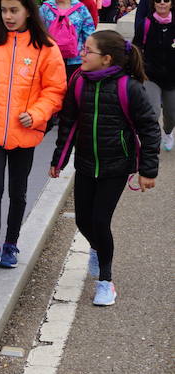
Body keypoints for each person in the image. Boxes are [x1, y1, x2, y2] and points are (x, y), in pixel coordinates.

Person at [50, 31, 159, 306]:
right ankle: (98, 248)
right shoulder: (78, 81)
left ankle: (106, 283)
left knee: (100, 220)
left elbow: (148, 128)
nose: (82, 54)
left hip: (116, 166)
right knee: (82, 221)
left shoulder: (129, 87)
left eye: (88, 51)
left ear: (106, 59)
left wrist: (148, 170)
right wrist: (58, 160)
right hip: (86, 163)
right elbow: (69, 123)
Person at [0, 0, 66, 277]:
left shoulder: (46, 47)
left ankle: (11, 244)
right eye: (4, 10)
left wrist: (36, 114)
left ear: (28, 12)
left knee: (19, 191)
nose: (8, 16)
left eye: (14, 11)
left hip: (25, 133)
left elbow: (55, 89)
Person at [134, 0, 175, 151]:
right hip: (150, 75)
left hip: (173, 77)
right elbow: (136, 48)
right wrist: (140, 68)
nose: (162, 3)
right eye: (158, 0)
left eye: (166, 0)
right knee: (152, 111)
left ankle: (167, 132)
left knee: (172, 114)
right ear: (154, 3)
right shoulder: (146, 24)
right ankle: (152, 140)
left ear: (171, 3)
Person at [39, 0, 96, 80]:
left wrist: (87, 53)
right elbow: (38, 29)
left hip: (75, 59)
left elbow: (89, 32)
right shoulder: (46, 8)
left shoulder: (80, 9)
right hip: (51, 56)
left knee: (72, 86)